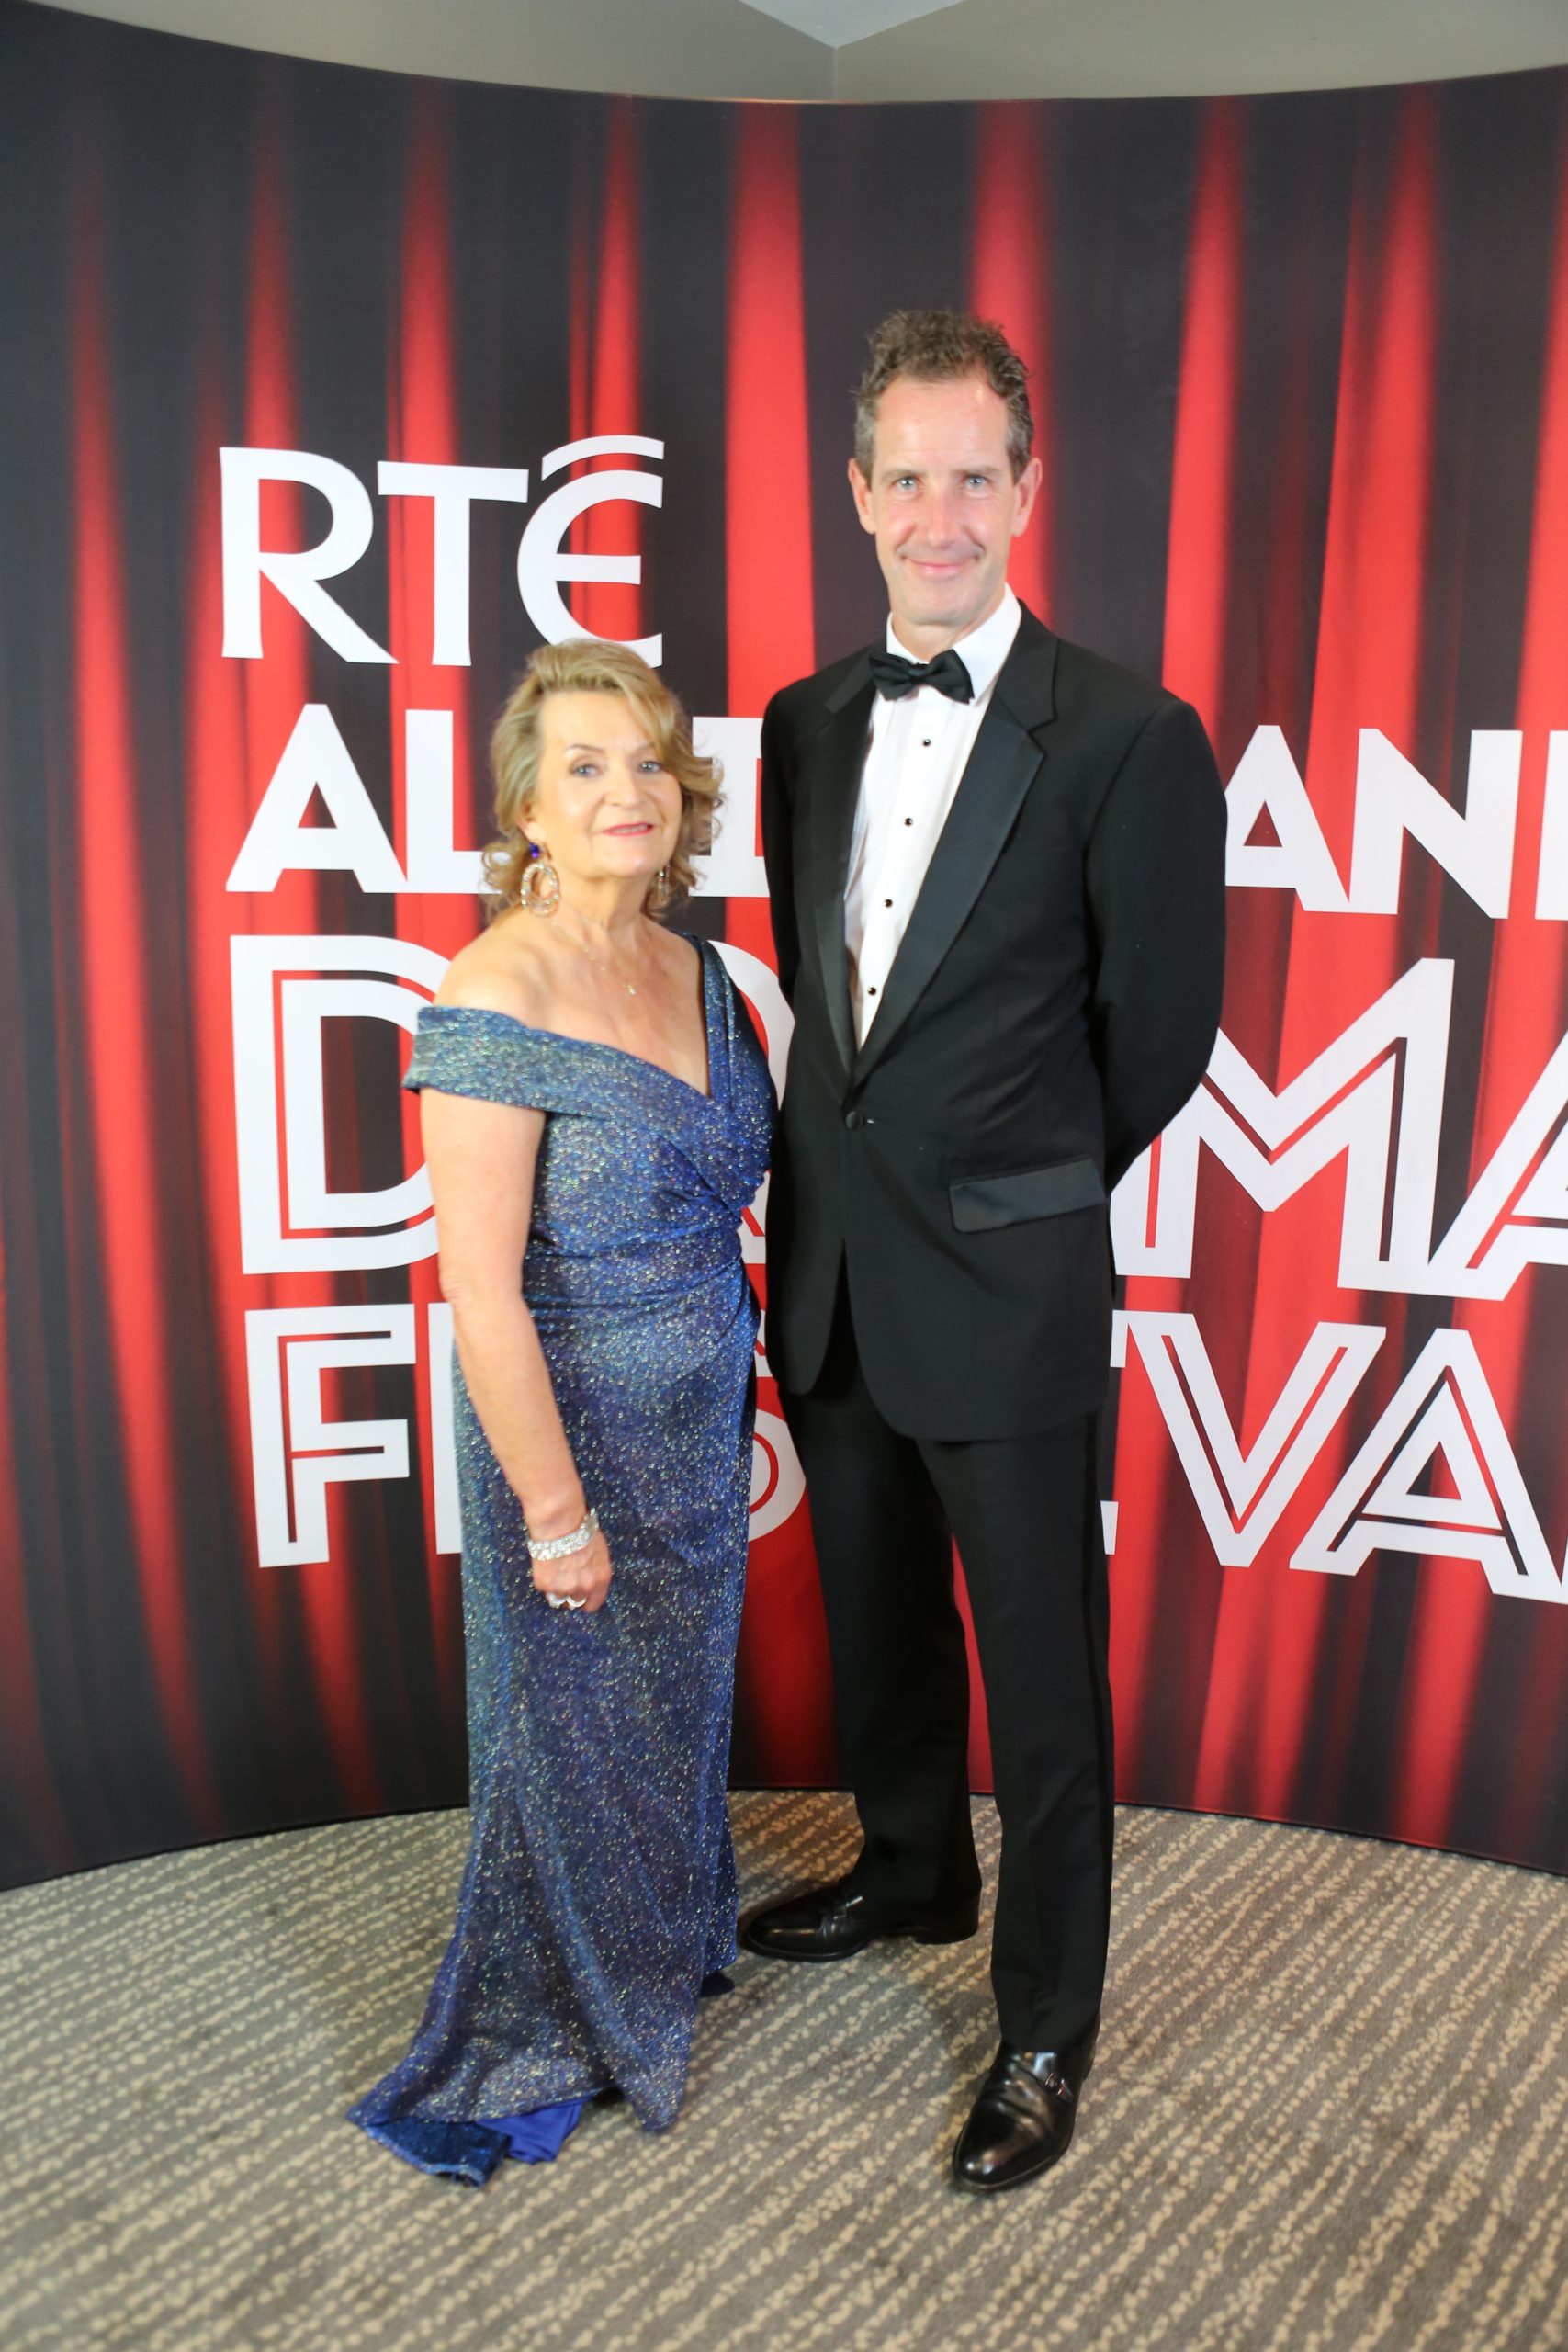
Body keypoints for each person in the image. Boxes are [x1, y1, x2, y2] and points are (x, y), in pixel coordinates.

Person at [746, 308, 1226, 2192]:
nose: (937, 513)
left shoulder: (1127, 735)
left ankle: (1043, 2022)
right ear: (855, 492)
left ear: (1026, 489)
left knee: (1039, 1677)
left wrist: (1009, 1190)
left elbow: (1154, 1039)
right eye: (906, 477)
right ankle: (908, 1868)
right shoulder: (802, 724)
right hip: (834, 1272)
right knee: (874, 1614)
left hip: (1006, 1284)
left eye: (973, 475)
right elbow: (828, 1003)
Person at [350, 639, 773, 2183]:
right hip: (567, 1433)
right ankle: (548, 2008)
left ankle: (660, 1941)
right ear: (527, 807)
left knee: (674, 1708)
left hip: (702, 1412)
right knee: (569, 1728)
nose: (626, 791)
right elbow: (480, 1291)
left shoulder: (702, 972)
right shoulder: (494, 989)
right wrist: (553, 1515)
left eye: (649, 761)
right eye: (585, 766)